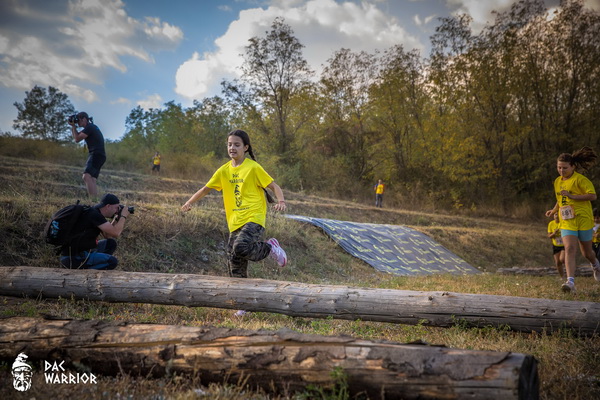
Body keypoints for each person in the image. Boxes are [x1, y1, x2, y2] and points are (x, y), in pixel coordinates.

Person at [182, 129, 287, 316]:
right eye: (230, 144)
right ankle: (243, 304)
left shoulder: (253, 167)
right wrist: (190, 202)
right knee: (234, 261)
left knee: (240, 247)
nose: (232, 148)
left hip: (254, 217)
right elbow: (205, 188)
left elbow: (273, 186)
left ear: (245, 148)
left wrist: (281, 201)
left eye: (237, 145)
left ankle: (270, 248)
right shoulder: (223, 170)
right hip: (235, 221)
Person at [544, 147, 600, 293]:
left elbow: (593, 196)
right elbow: (560, 199)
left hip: (583, 219)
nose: (561, 170)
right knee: (569, 248)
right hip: (567, 220)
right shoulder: (557, 181)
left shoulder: (580, 180)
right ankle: (570, 282)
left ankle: (595, 264)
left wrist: (572, 196)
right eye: (559, 167)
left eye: (565, 168)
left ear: (573, 166)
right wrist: (554, 210)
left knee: (587, 253)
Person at [60, 193, 130, 270]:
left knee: (110, 243)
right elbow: (116, 233)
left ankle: (92, 263)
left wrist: (117, 217)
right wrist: (123, 216)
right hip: (75, 258)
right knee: (112, 262)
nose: (117, 211)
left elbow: (108, 235)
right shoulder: (95, 215)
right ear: (108, 206)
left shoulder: (94, 212)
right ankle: (85, 271)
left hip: (80, 252)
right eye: (116, 208)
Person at [69, 111, 106, 198]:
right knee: (92, 178)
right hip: (100, 155)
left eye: (78, 120)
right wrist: (73, 126)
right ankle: (95, 200)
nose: (77, 122)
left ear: (84, 119)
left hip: (96, 154)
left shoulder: (89, 127)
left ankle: (93, 200)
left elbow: (77, 139)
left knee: (86, 176)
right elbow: (77, 136)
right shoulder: (92, 127)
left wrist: (73, 126)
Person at [547, 212, 565, 279]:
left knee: (562, 259)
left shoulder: (564, 223)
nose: (557, 216)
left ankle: (570, 271)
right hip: (556, 245)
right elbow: (549, 236)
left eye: (558, 214)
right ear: (553, 216)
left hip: (564, 245)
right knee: (558, 262)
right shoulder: (551, 224)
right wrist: (554, 233)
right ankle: (562, 277)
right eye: (555, 214)